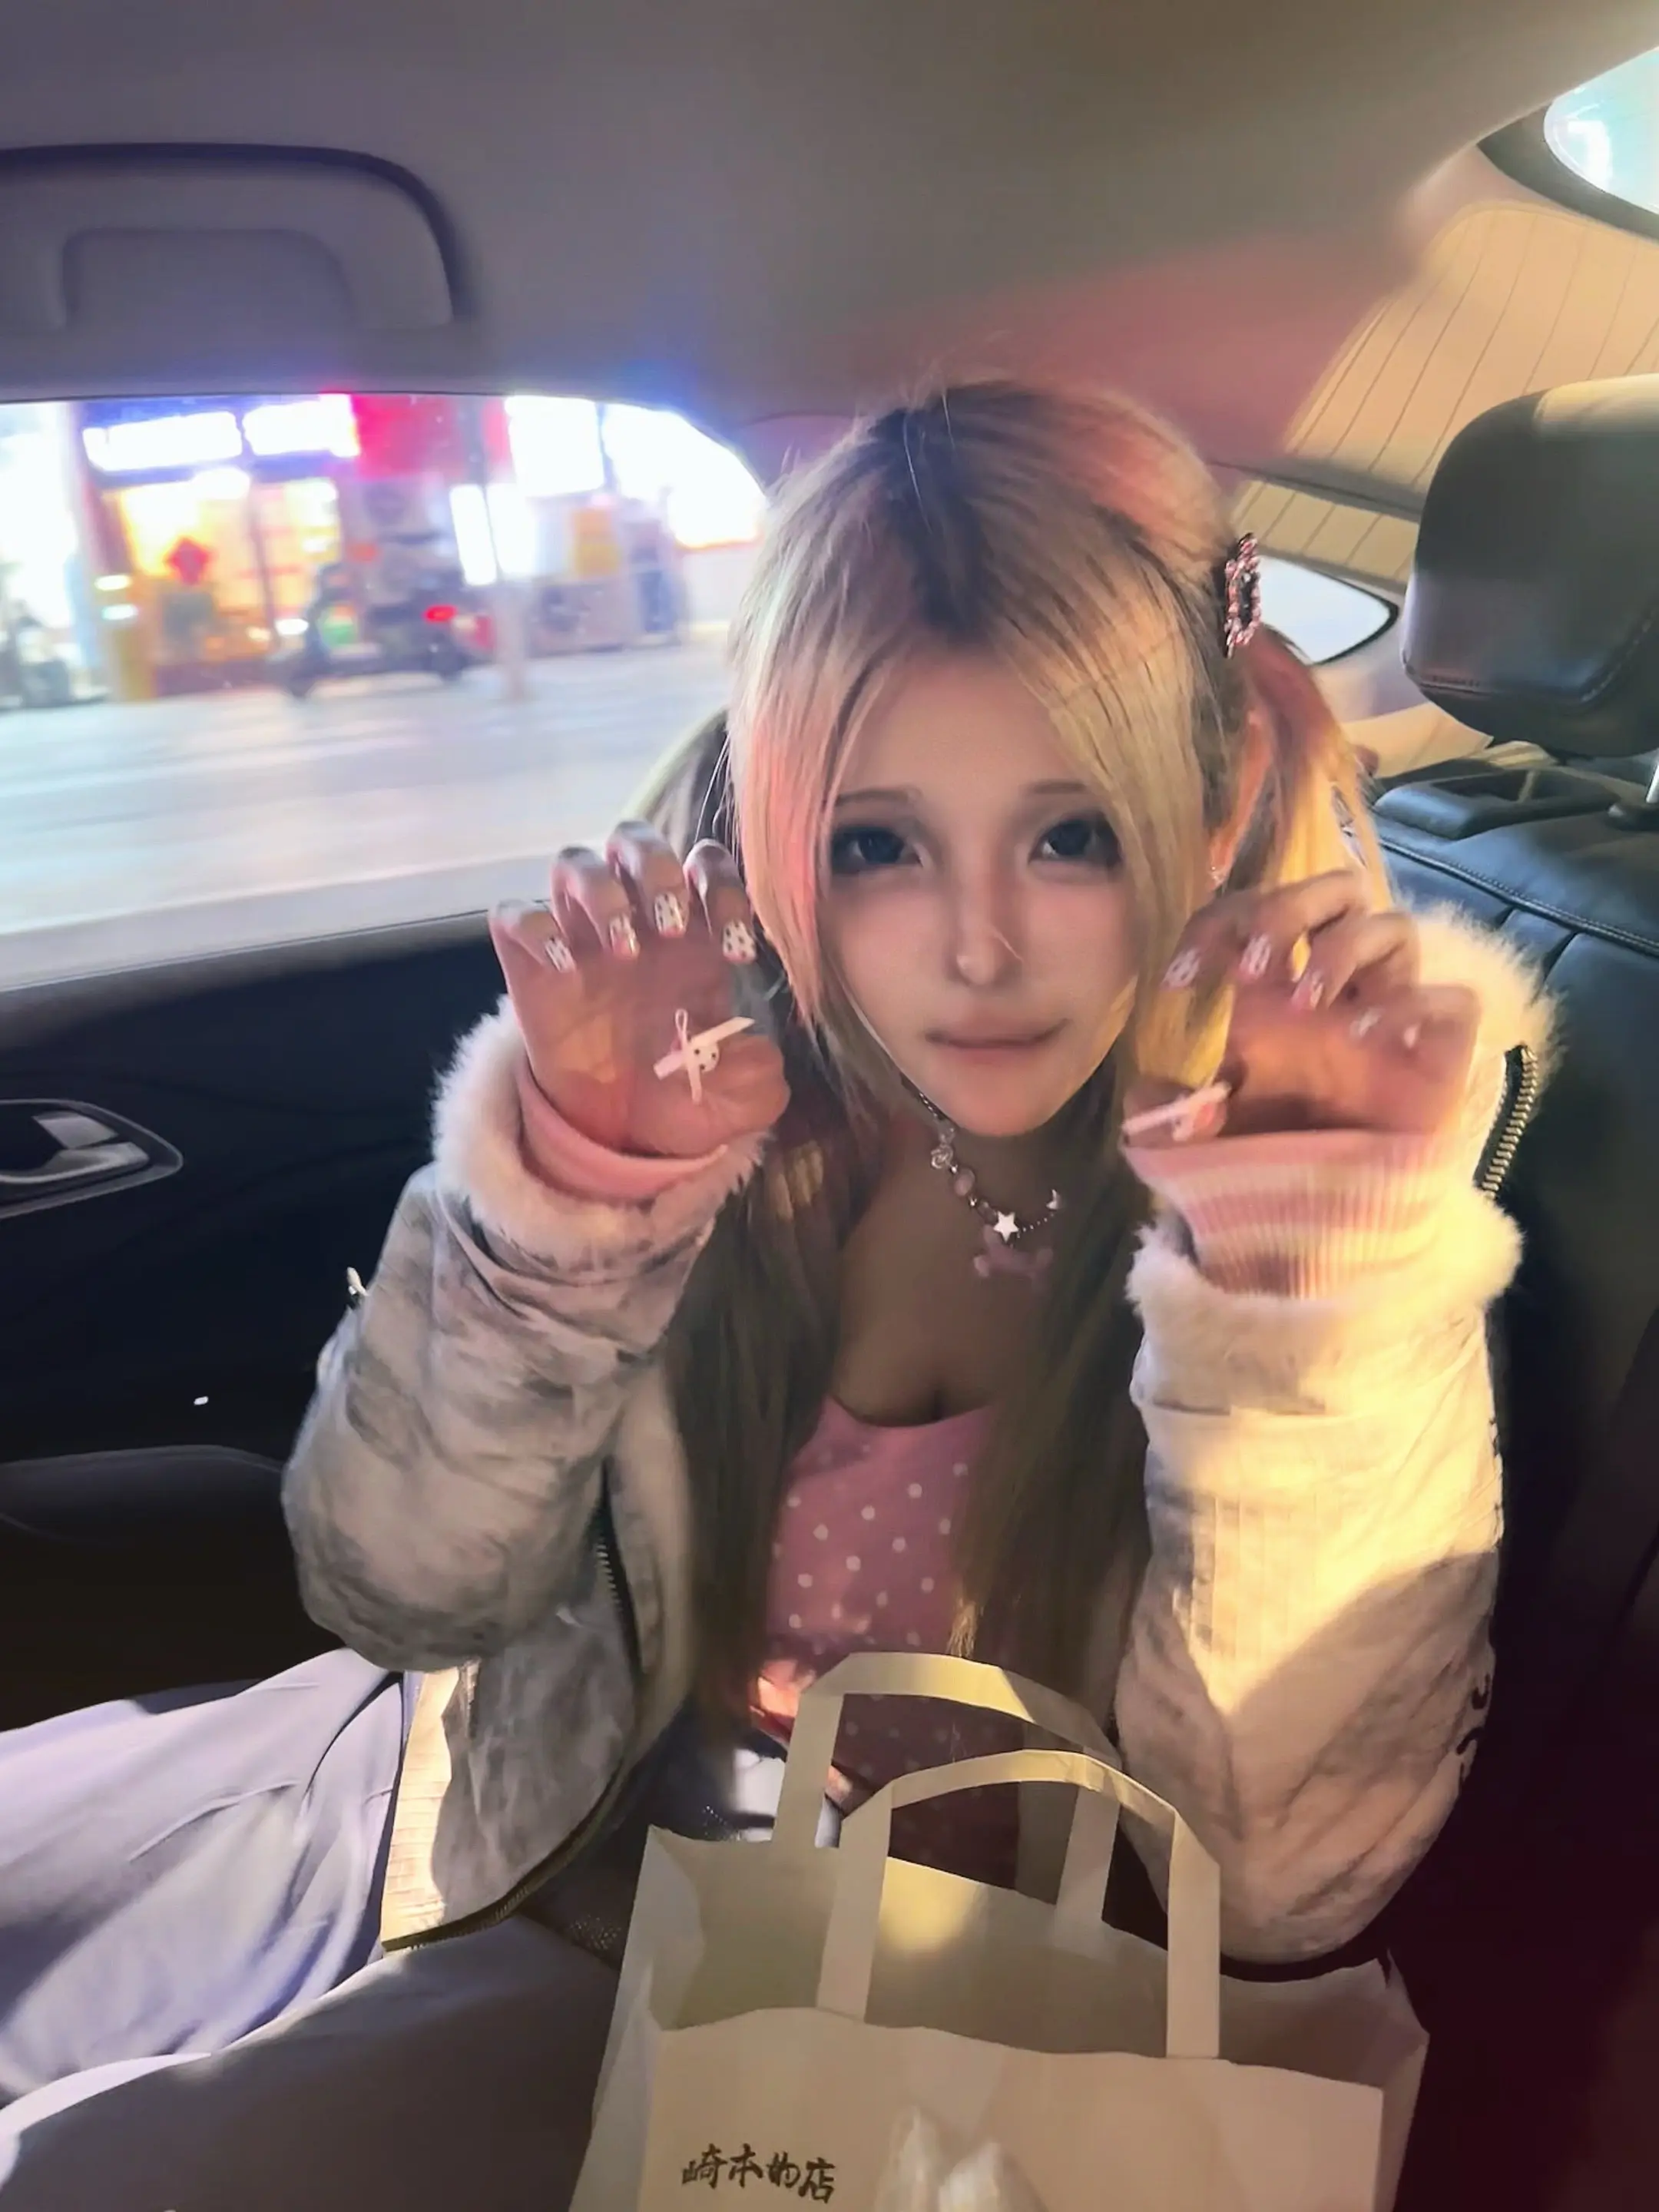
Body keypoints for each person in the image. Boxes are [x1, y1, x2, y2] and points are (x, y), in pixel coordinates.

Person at [0, 382, 1550, 2207]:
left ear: (1206, 818)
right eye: (880, 844)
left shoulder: (1311, 1166)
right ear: (783, 827)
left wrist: (1297, 1302)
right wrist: (568, 1203)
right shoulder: (714, 1082)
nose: (976, 948)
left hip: (862, 2014)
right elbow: (402, 1592)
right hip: (511, 1790)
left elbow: (1288, 1883)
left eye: (1073, 835)